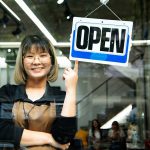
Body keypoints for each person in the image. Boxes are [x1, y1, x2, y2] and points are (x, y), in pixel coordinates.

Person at [0, 35, 78, 150]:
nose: (36, 62)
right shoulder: (8, 93)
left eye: (43, 55)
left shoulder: (60, 98)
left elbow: (64, 138)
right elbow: (3, 130)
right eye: (30, 56)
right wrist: (49, 139)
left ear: (51, 60)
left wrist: (71, 89)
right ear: (22, 61)